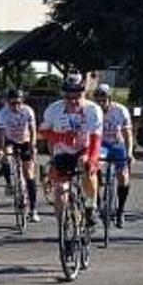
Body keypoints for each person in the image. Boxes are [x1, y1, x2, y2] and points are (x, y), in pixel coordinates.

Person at [38, 73, 103, 229]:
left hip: (85, 149)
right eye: (69, 96)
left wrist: (92, 161)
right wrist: (61, 137)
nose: (73, 100)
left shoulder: (93, 110)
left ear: (84, 93)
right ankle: (63, 227)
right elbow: (42, 131)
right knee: (60, 189)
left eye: (77, 95)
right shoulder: (54, 109)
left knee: (85, 164)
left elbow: (96, 139)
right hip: (63, 152)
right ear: (64, 94)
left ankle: (90, 206)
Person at [0, 88, 40, 221]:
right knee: (6, 156)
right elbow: (2, 133)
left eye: (19, 103)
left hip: (25, 141)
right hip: (10, 140)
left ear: (22, 102)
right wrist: (1, 149)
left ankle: (33, 209)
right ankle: (9, 183)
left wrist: (33, 146)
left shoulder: (28, 111)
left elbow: (32, 131)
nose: (16, 106)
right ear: (8, 102)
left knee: (29, 174)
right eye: (13, 103)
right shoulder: (3, 113)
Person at [93, 83, 134, 228]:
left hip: (117, 145)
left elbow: (127, 133)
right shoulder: (93, 111)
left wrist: (129, 153)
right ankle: (97, 201)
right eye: (98, 99)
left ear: (109, 98)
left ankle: (120, 210)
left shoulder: (120, 110)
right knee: (93, 168)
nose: (101, 102)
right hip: (101, 145)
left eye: (103, 99)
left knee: (123, 176)